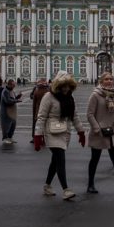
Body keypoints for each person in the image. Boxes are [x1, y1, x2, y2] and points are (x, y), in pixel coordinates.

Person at [34, 71, 85, 200]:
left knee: (55, 161)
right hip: (51, 131)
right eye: (64, 86)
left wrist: (81, 132)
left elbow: (75, 116)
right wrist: (37, 136)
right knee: (60, 159)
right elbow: (41, 117)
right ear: (58, 85)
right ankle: (66, 189)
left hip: (65, 131)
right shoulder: (48, 97)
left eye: (68, 86)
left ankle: (47, 186)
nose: (66, 88)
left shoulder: (70, 97)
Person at [0, 79, 22, 144]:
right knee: (6, 126)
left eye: (14, 84)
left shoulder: (12, 91)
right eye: (13, 85)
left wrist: (18, 96)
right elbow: (7, 101)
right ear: (9, 85)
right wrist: (17, 101)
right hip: (6, 112)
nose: (14, 86)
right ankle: (5, 138)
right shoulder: (5, 91)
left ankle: (10, 137)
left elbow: (13, 98)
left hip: (12, 112)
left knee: (13, 125)